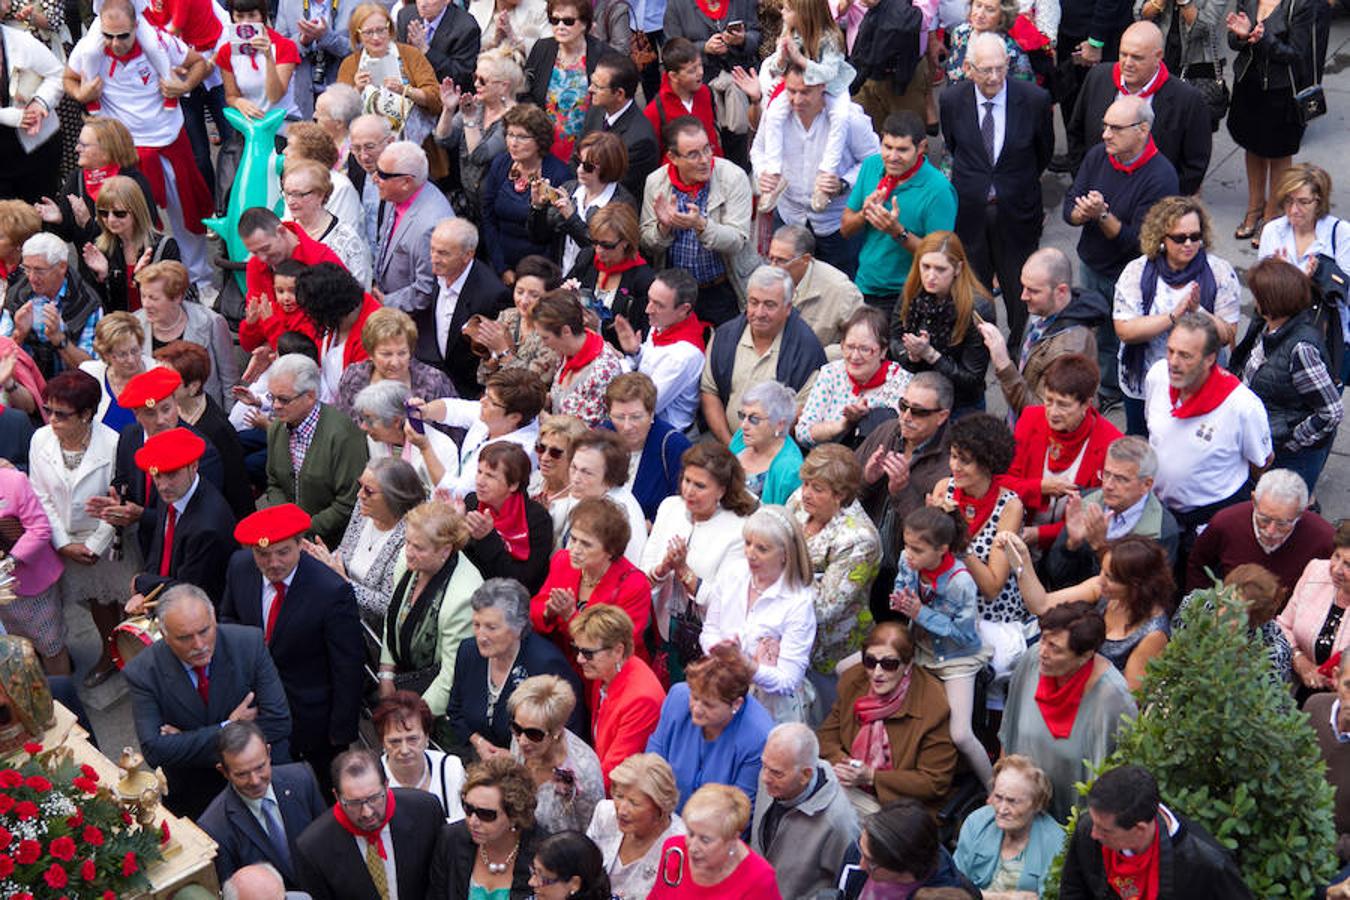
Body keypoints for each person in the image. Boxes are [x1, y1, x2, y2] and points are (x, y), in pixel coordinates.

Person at [62, 0, 213, 286]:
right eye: (108, 35)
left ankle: (200, 281)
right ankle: (140, 284)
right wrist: (82, 93)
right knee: (129, 222)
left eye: (123, 35)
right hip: (122, 149)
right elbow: (68, 77)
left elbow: (198, 64)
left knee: (186, 214)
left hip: (167, 137)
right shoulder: (89, 49)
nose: (115, 43)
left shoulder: (159, 42)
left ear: (136, 27)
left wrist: (183, 86)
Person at [221, 500, 364, 787]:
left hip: (311, 720)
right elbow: (228, 617)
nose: (273, 563)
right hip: (254, 708)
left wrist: (340, 734)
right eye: (263, 554)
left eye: (283, 552)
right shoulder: (240, 568)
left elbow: (347, 667)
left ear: (301, 544)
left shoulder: (331, 591)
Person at [124, 584, 293, 819]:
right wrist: (229, 727)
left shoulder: (248, 643)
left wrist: (185, 739)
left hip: (261, 781)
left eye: (204, 631)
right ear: (164, 635)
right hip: (196, 795)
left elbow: (279, 723)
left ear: (214, 619)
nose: (199, 645)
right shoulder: (143, 672)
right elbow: (154, 751)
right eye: (185, 638)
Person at [28, 370, 141, 686]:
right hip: (69, 539)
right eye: (49, 411)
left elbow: (116, 500)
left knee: (128, 601)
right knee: (99, 603)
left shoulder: (114, 444)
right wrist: (63, 543)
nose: (52, 420)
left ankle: (136, 658)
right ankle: (110, 654)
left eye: (62, 414)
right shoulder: (40, 440)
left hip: (108, 540)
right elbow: (40, 495)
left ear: (87, 414)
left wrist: (94, 544)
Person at [1114, 194, 1243, 435]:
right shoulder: (1137, 272)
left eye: (1195, 236)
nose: (1189, 244)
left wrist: (1198, 311)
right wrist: (1173, 316)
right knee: (1142, 448)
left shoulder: (1219, 273)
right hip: (1143, 383)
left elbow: (1228, 335)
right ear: (1161, 238)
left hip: (1200, 386)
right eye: (1179, 238)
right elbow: (1125, 330)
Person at [998, 601, 1137, 823]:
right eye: (1043, 639)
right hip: (1017, 812)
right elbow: (1008, 733)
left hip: (1071, 825)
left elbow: (1115, 786)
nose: (1043, 651)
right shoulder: (1033, 661)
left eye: (1056, 648)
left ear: (1085, 656)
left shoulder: (1113, 700)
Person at [1143, 313, 1273, 547]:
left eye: (1185, 356)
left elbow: (1261, 462)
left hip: (1210, 521)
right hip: (1160, 515)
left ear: (1210, 359)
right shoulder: (1157, 377)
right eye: (1170, 351)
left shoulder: (1243, 406)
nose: (1173, 362)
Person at [1002, 533, 1175, 691]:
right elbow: (1041, 604)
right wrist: (1022, 559)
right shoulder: (1103, 590)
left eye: (1110, 578)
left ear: (1136, 585)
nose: (1100, 581)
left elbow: (1130, 696)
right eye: (1102, 571)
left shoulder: (1154, 634)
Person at [641, 441, 757, 675]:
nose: (689, 491)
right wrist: (664, 568)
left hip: (708, 643)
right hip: (663, 628)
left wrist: (684, 570)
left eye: (700, 486)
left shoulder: (739, 530)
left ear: (722, 490)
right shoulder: (669, 508)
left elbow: (725, 600)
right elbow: (643, 576)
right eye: (687, 481)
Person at [751, 69, 878, 280]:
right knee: (787, 288)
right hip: (789, 217)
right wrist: (763, 173)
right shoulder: (775, 115)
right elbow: (758, 150)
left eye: (805, 92)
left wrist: (843, 184)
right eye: (791, 91)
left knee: (837, 291)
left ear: (823, 87)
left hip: (835, 225)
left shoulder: (850, 119)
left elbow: (873, 161)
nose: (796, 100)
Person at [931, 413, 1030, 677]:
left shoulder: (1010, 506)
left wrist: (960, 541)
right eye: (953, 456)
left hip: (992, 615)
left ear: (988, 463)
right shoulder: (944, 489)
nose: (955, 467)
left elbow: (992, 587)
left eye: (965, 461)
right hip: (947, 607)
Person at [1059, 764, 1252, 898]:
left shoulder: (1208, 863)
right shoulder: (1088, 831)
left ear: (1139, 829)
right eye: (1093, 823)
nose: (1094, 834)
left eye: (1104, 830)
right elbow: (1073, 890)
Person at [699, 506, 818, 723]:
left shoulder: (799, 602)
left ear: (785, 555)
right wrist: (719, 650)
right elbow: (710, 629)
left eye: (762, 549)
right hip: (723, 691)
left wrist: (745, 665)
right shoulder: (732, 573)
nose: (750, 553)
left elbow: (788, 679)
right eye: (747, 543)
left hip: (769, 710)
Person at [1235, 257, 1343, 492]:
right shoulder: (1267, 326)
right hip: (1264, 446)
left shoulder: (1301, 349)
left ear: (1270, 302)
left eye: (1257, 294)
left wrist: (1290, 442)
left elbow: (1331, 412)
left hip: (1288, 460)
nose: (1253, 300)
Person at [1067, 22, 1213, 196]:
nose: (1127, 63)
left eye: (1137, 57)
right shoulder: (1098, 78)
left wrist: (1163, 204)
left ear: (1158, 56)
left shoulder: (1187, 100)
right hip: (1098, 199)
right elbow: (1076, 133)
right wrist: (1084, 183)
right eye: (1123, 54)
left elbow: (1195, 164)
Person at [784, 445, 881, 706]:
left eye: (817, 488)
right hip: (788, 640)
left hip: (831, 652)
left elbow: (825, 608)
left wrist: (783, 567)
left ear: (840, 495)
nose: (805, 494)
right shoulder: (799, 502)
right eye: (805, 484)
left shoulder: (858, 538)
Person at [841, 111, 958, 327]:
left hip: (908, 295)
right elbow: (845, 228)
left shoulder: (939, 190)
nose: (892, 157)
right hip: (864, 286)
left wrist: (898, 232)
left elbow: (941, 256)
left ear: (921, 147)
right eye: (887, 147)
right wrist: (864, 214)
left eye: (902, 150)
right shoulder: (871, 166)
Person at [640, 116, 760, 327]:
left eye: (707, 149)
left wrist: (701, 225)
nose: (704, 160)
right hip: (676, 293)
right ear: (672, 157)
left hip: (722, 288)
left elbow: (737, 241)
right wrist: (664, 227)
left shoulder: (733, 177)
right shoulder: (656, 182)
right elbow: (647, 243)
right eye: (693, 154)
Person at [1063, 95, 1180, 310]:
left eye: (1116, 129)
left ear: (1142, 130)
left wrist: (1102, 215)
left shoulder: (1161, 177)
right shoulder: (1098, 155)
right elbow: (1070, 205)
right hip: (1090, 267)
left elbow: (1139, 243)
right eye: (1105, 126)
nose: (1106, 135)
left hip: (1129, 278)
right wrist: (1083, 213)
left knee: (1116, 341)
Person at [448, 578, 587, 758]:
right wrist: (479, 742)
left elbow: (567, 736)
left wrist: (516, 757)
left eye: (491, 627)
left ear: (519, 627)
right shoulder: (469, 652)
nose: (481, 636)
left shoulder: (546, 665)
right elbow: (455, 710)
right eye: (476, 625)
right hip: (475, 757)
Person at [855, 372, 954, 616]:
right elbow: (844, 487)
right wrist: (866, 479)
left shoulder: (952, 461)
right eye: (903, 406)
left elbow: (936, 536)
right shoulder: (887, 432)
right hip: (861, 556)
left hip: (903, 575)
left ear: (942, 416)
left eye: (918, 411)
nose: (906, 417)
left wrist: (902, 491)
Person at [376, 500, 485, 715]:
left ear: (445, 550)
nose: (408, 552)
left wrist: (414, 719)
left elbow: (450, 675)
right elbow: (394, 615)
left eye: (418, 547)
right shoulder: (408, 560)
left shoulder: (464, 596)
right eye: (407, 542)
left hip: (434, 698)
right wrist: (386, 673)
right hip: (402, 677)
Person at [1004, 354, 1123, 549]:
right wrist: (1040, 487)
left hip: (1070, 547)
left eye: (1063, 404)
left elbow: (1096, 516)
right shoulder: (1030, 418)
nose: (1052, 411)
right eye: (1048, 400)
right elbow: (1004, 482)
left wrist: (1039, 534)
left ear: (1086, 404)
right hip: (1019, 529)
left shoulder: (1110, 443)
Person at [294, 748, 446, 900]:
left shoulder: (425, 811)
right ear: (337, 797)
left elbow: (443, 878)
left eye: (374, 798)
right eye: (354, 803)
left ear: (386, 785)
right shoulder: (314, 847)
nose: (367, 812)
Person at [701, 266, 826, 445]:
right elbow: (709, 392)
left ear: (788, 307)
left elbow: (801, 412)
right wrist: (731, 447)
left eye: (769, 305)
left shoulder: (807, 350)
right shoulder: (725, 337)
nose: (759, 313)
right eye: (753, 302)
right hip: (726, 446)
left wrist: (758, 451)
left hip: (776, 452)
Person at [979, 248, 1110, 418]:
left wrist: (1004, 365)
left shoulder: (1069, 350)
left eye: (1033, 290)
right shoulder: (1043, 308)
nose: (1023, 296)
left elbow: (1042, 415)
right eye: (1023, 286)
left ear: (1061, 291)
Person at [1225, 0, 1315, 245]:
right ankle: (1254, 207)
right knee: (1252, 146)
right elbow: (1233, 41)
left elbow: (1296, 53)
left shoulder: (1300, 5)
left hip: (1281, 89)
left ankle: (1271, 213)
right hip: (1248, 83)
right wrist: (1242, 36)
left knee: (1278, 152)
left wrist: (1262, 39)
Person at [199, 721, 328, 889]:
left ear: (268, 753)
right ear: (223, 771)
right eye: (242, 774)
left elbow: (328, 845)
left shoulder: (302, 779)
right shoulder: (215, 827)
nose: (254, 781)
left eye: (260, 767)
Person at [645, 644, 774, 811]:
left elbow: (739, 811)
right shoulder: (678, 698)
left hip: (717, 831)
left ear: (736, 704)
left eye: (708, 704)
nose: (696, 708)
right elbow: (652, 765)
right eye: (695, 697)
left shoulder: (758, 737)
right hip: (664, 817)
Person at [1042, 436, 1181, 589]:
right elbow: (1054, 575)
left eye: (1121, 479)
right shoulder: (1087, 501)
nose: (1108, 485)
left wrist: (1101, 548)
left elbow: (1142, 596)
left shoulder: (1162, 530)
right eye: (1106, 474)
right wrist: (1071, 545)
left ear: (1146, 485)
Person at [263, 353, 370, 550]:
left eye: (284, 399)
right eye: (272, 397)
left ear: (310, 396)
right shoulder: (278, 428)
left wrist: (303, 529)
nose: (275, 406)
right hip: (292, 537)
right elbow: (274, 482)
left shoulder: (343, 435)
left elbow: (348, 502)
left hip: (332, 544)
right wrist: (286, 521)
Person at [125, 427, 237, 608]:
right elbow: (158, 549)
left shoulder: (207, 526)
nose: (162, 485)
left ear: (194, 466)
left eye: (171, 474)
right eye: (157, 476)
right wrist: (146, 586)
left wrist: (143, 582)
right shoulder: (176, 493)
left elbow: (189, 590)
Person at [750, 722, 859, 899]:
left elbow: (845, 888)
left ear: (805, 775)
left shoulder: (838, 822)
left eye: (777, 773)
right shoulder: (772, 776)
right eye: (764, 766)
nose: (765, 778)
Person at [1257, 167, 1350, 370]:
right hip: (1279, 337)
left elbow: (1345, 294)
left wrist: (1315, 278)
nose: (1293, 210)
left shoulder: (1340, 233)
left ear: (1319, 201)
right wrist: (1277, 278)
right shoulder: (1273, 231)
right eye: (1289, 201)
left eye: (1303, 202)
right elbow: (1261, 297)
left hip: (1326, 339)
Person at [892, 231, 995, 414]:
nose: (930, 276)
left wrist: (930, 354)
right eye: (926, 266)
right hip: (919, 399)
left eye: (940, 269)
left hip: (961, 404)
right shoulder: (911, 293)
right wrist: (911, 356)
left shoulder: (977, 308)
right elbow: (895, 339)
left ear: (957, 269)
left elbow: (972, 378)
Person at [533, 495, 650, 657]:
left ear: (611, 550)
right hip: (562, 660)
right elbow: (535, 610)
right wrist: (549, 611)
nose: (575, 549)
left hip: (606, 673)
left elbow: (615, 646)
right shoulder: (562, 560)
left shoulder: (633, 584)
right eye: (573, 539)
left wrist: (570, 616)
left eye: (586, 544)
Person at [1187, 468, 1334, 595]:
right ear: (1253, 500)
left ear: (1301, 513)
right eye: (1264, 519)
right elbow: (1198, 566)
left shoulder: (1324, 538)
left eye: (1282, 523)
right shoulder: (1225, 522)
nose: (1270, 531)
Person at [313, 457, 421, 625]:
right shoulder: (362, 509)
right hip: (339, 608)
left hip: (368, 631)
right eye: (360, 486)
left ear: (394, 497)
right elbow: (343, 553)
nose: (360, 495)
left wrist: (344, 583)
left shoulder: (409, 537)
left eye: (368, 491)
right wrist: (325, 558)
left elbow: (387, 604)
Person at [415, 367, 548, 498]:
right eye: (485, 395)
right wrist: (426, 410)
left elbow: (457, 493)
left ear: (514, 417)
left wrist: (425, 447)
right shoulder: (496, 414)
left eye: (491, 401)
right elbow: (453, 409)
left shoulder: (517, 452)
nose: (482, 401)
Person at [418, 219, 513, 401]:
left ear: (467, 255)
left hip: (470, 393)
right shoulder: (440, 273)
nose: (434, 259)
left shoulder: (492, 295)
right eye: (432, 249)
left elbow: (495, 353)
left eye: (443, 253)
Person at [571, 603, 664, 783]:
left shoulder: (641, 700)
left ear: (618, 650)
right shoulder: (605, 670)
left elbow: (613, 774)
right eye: (577, 650)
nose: (579, 659)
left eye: (588, 653)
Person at [427, 756, 541, 900]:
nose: (473, 821)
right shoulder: (451, 839)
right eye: (468, 808)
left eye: (486, 814)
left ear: (514, 815)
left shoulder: (542, 851)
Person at [35, 117, 158, 250]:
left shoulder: (133, 182)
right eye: (78, 143)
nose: (77, 149)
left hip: (131, 266)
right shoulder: (76, 179)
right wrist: (59, 220)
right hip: (88, 270)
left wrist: (88, 224)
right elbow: (68, 235)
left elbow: (141, 234)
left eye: (84, 145)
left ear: (106, 150)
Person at [796, 308, 910, 449]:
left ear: (883, 350)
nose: (855, 356)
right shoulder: (831, 373)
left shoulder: (900, 382)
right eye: (849, 347)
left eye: (865, 349)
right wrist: (843, 425)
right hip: (825, 461)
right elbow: (802, 433)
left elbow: (902, 437)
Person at [505, 674, 605, 834]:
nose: (522, 741)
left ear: (557, 731)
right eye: (516, 728)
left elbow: (591, 834)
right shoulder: (521, 737)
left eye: (534, 734)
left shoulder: (585, 774)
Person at [953, 755, 1065, 898]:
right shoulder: (976, 823)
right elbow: (954, 887)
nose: (1002, 809)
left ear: (1037, 804)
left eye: (1012, 801)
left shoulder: (1055, 842)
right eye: (998, 797)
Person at [132, 260, 238, 408]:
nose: (146, 304)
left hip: (201, 415)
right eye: (143, 296)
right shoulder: (134, 325)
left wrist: (229, 421)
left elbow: (229, 380)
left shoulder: (211, 323)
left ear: (177, 297)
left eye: (154, 298)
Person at [483, 104, 573, 278]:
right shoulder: (500, 164)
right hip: (500, 262)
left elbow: (554, 234)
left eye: (522, 137)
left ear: (540, 140)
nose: (513, 143)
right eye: (510, 135)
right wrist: (501, 268)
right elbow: (488, 217)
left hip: (540, 269)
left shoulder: (558, 174)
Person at [647, 784, 781, 900]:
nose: (692, 847)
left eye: (705, 840)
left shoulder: (760, 878)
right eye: (691, 833)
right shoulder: (675, 850)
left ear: (733, 839)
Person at [611, 268, 705, 433]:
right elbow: (648, 364)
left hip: (665, 435)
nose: (648, 309)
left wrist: (616, 363)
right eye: (649, 300)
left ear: (684, 309)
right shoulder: (665, 322)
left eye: (659, 305)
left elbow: (643, 404)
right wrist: (635, 351)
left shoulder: (682, 356)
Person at [434, 47, 522, 222]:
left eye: (482, 80)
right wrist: (448, 110)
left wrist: (469, 119)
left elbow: (480, 155)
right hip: (469, 203)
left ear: (504, 86)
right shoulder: (478, 106)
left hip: (496, 207)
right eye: (475, 77)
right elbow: (443, 140)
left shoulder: (514, 118)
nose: (475, 85)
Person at [238, 207, 343, 351]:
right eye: (254, 252)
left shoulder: (321, 260)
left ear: (281, 231)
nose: (262, 258)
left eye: (265, 248)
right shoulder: (256, 266)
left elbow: (342, 323)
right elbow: (255, 330)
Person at [371, 141, 456, 317]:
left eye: (382, 175)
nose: (374, 178)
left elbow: (425, 290)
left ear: (406, 182)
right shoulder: (395, 195)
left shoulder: (432, 225)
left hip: (411, 323)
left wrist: (385, 302)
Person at [834, 798, 981, 899]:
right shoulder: (864, 848)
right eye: (861, 850)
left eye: (871, 863)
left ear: (907, 870)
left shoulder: (941, 894)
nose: (860, 864)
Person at [1, 231, 101, 379]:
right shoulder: (17, 295)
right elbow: (2, 357)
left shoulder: (86, 302)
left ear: (62, 267)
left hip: (71, 390)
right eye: (27, 268)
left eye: (40, 270)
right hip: (27, 385)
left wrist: (59, 339)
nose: (32, 278)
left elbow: (92, 369)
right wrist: (19, 334)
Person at [585, 753, 686, 899]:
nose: (622, 810)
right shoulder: (605, 813)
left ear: (660, 807)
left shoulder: (680, 845)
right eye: (619, 796)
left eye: (634, 803)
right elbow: (584, 871)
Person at [78, 175, 180, 316]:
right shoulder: (101, 248)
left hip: (155, 328)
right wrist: (102, 277)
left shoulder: (164, 247)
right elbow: (98, 307)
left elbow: (174, 296)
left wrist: (142, 280)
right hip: (121, 329)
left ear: (137, 211)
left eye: (119, 213)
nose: (111, 220)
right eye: (103, 213)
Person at [337, 2, 441, 137]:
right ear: (357, 35)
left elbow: (435, 99)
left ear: (390, 28)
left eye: (381, 30)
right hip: (367, 143)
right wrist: (357, 90)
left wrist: (405, 91)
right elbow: (339, 112)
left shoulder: (411, 55)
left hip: (414, 141)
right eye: (368, 32)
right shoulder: (350, 64)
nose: (376, 38)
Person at [463, 442, 554, 592]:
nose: (480, 481)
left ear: (513, 485)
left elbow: (521, 581)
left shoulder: (537, 519)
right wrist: (453, 523)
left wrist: (487, 538)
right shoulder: (472, 502)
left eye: (490, 476)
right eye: (479, 472)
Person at [521, 0, 606, 160]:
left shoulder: (602, 55)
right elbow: (525, 92)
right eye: (554, 20)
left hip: (587, 149)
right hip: (544, 146)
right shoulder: (542, 48)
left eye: (568, 21)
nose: (560, 26)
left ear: (584, 24)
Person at [602, 372, 691, 522]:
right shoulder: (602, 437)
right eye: (619, 417)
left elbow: (683, 505)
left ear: (651, 414)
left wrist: (652, 525)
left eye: (636, 417)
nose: (627, 426)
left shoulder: (674, 446)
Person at [564, 202, 652, 352]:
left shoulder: (643, 279)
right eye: (595, 242)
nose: (599, 250)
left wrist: (598, 326)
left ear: (625, 242)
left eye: (607, 245)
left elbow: (638, 336)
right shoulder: (587, 258)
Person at [0, 465, 64, 671]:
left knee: (51, 645)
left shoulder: (12, 481)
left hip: (30, 583)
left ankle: (61, 699)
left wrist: (9, 562)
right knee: (14, 652)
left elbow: (39, 529)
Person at [765, 225, 864, 356]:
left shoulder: (841, 291)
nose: (773, 268)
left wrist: (818, 356)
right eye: (770, 259)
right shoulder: (765, 281)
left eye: (781, 261)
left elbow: (861, 340)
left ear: (805, 260)